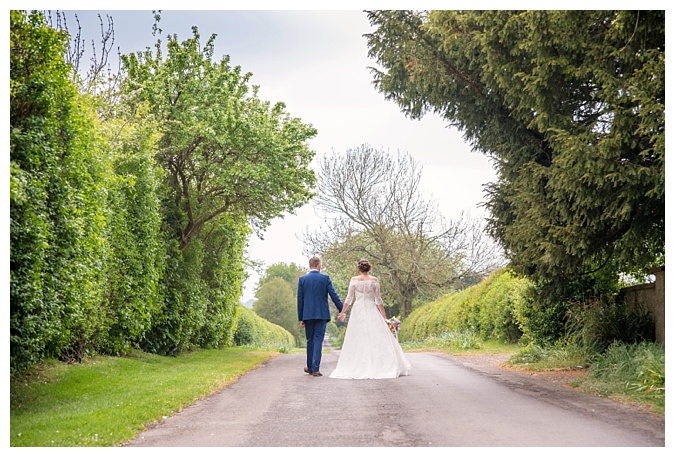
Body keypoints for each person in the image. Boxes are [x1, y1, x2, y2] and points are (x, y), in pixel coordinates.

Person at [330, 259, 411, 379]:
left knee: (358, 336)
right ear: (369, 268)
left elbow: (349, 299)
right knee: (375, 336)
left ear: (359, 268)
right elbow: (378, 300)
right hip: (371, 308)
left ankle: (357, 365)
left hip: (357, 310)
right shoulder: (374, 281)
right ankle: (379, 365)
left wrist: (342, 312)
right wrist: (383, 317)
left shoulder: (354, 280)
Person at [297, 256, 343, 377]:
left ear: (309, 265)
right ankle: (315, 368)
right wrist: (342, 310)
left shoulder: (302, 279)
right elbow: (334, 295)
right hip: (321, 314)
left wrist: (301, 318)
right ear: (319, 265)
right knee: (318, 340)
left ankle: (310, 367)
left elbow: (300, 300)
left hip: (307, 315)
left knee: (309, 340)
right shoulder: (325, 278)